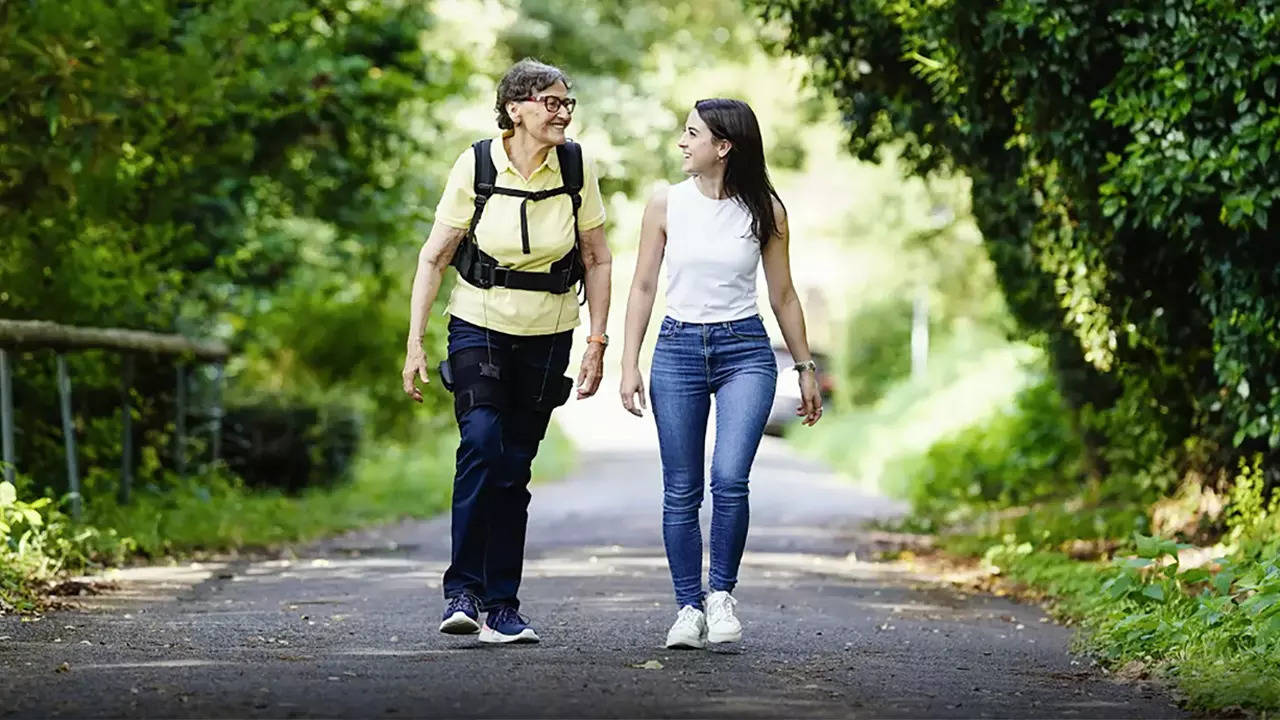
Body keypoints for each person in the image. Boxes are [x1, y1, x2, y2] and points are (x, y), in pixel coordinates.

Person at [402, 58, 612, 644]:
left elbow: (597, 258)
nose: (563, 113)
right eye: (551, 102)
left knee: (514, 466)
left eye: (567, 102)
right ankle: (462, 591)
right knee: (481, 442)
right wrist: (414, 344)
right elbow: (434, 256)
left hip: (550, 332)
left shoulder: (576, 167)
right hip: (479, 323)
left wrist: (597, 341)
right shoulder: (476, 163)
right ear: (515, 108)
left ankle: (503, 605)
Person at [618, 98, 822, 649]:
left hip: (745, 352)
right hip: (678, 349)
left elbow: (783, 293)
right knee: (681, 489)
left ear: (723, 146)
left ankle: (721, 596)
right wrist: (628, 360)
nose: (682, 143)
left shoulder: (767, 211)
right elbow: (641, 287)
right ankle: (687, 607)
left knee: (729, 479)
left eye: (692, 134)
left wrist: (804, 368)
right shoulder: (666, 203)